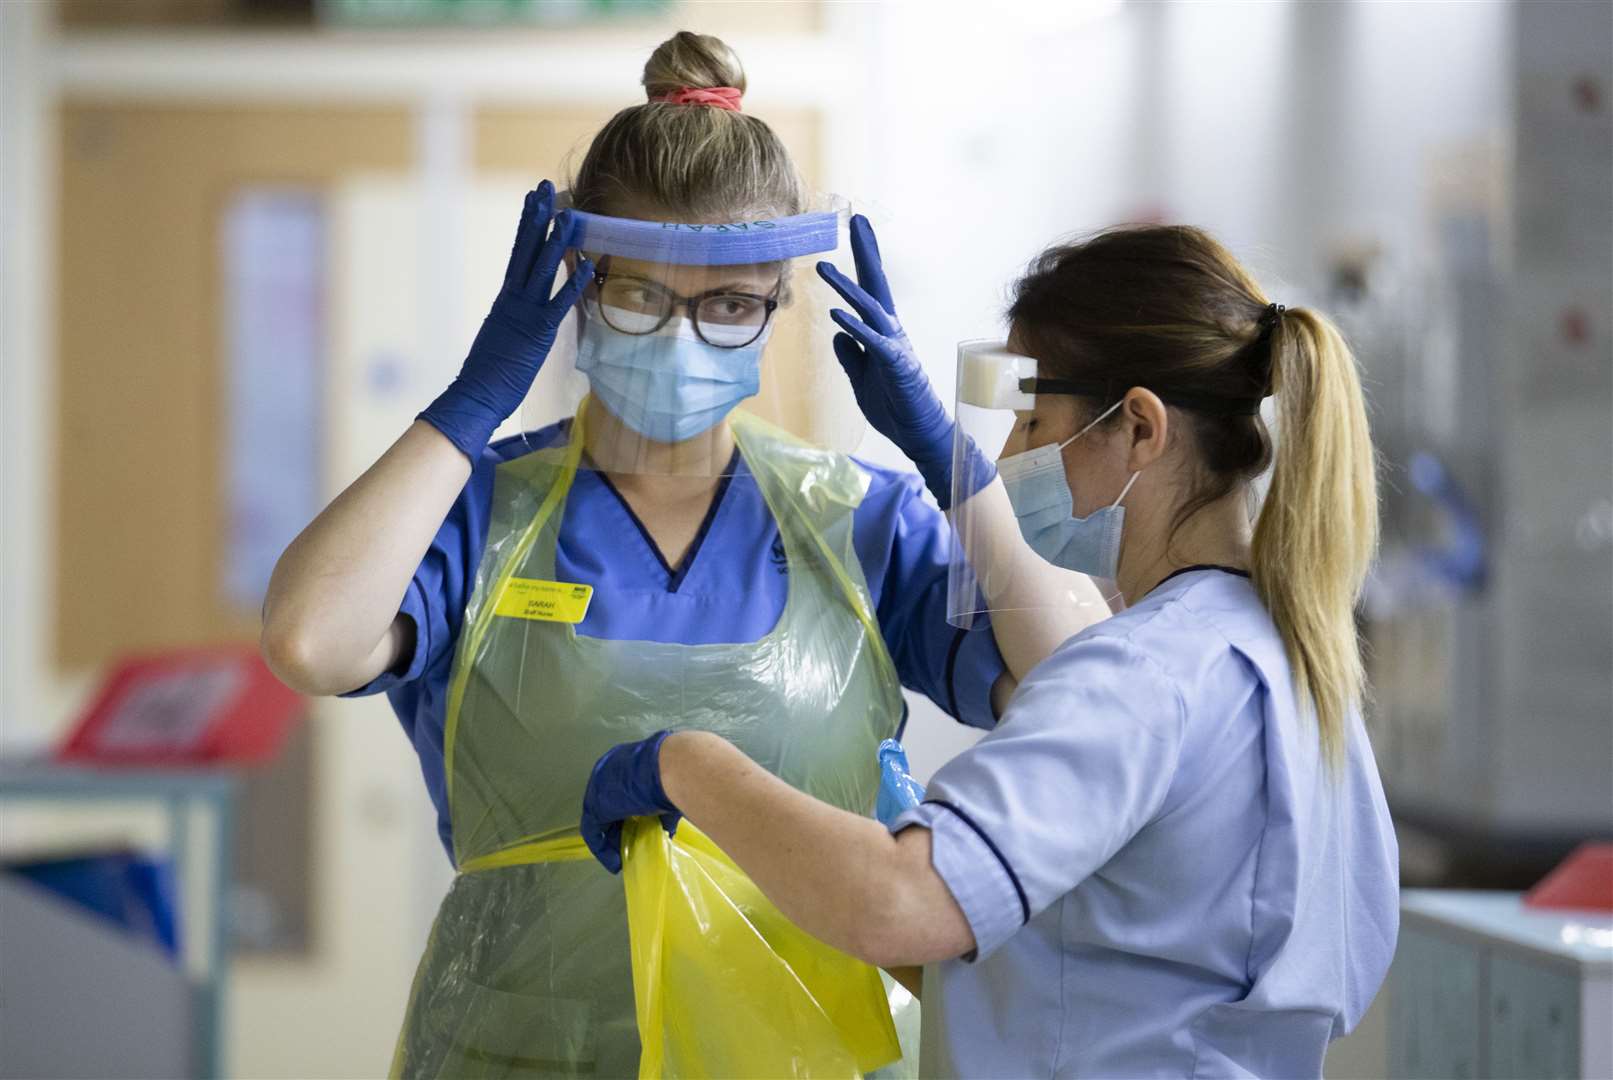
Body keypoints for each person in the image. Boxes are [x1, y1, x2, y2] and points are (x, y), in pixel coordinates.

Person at [261, 31, 1095, 1077]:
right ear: (572, 288)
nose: (681, 335)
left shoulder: (857, 521)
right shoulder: (478, 513)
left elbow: (1080, 694)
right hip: (513, 1055)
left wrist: (944, 456)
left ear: (774, 311)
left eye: (729, 305)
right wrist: (474, 402)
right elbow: (308, 639)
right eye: (638, 295)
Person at [582, 222, 1401, 1078]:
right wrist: (838, 850)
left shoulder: (1141, 674)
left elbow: (903, 906)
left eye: (1031, 422)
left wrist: (687, 766)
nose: (1008, 459)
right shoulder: (1289, 662)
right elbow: (1087, 967)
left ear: (1139, 429)